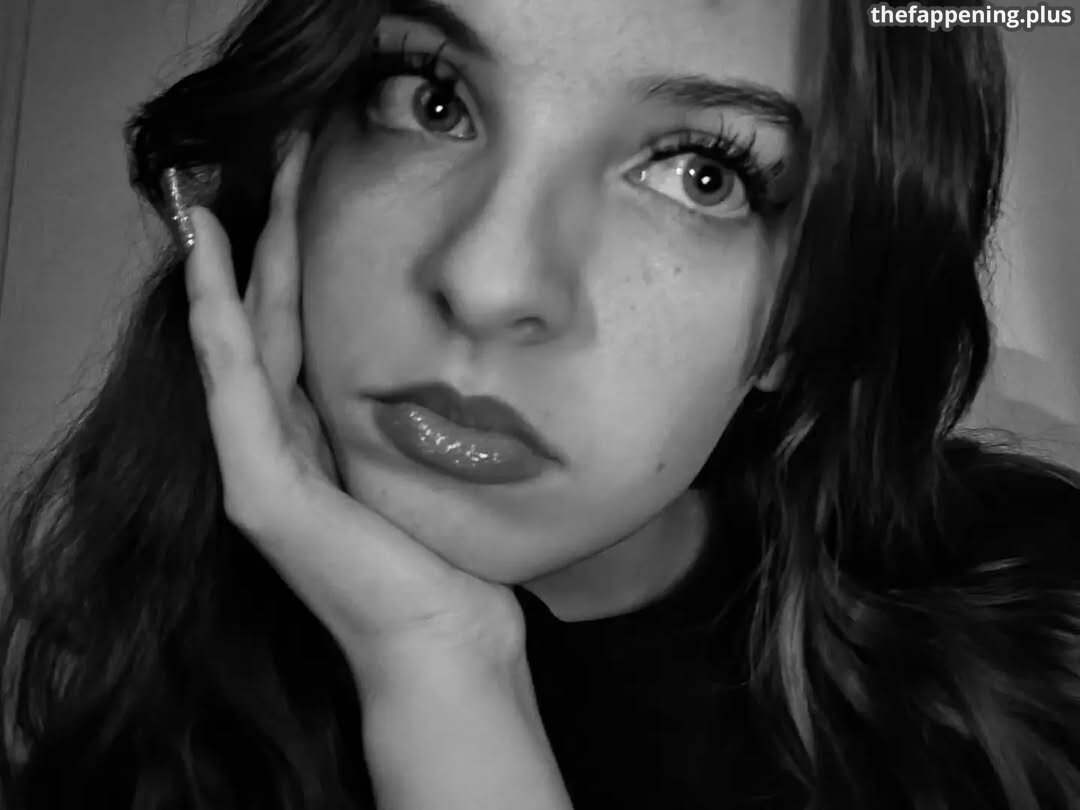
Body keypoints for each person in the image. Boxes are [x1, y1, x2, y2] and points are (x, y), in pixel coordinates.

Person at [2, 0, 1079, 807]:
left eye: (703, 174)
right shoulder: (141, 724)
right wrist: (430, 659)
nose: (489, 280)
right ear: (296, 150)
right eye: (429, 100)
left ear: (805, 319)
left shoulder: (1044, 674)